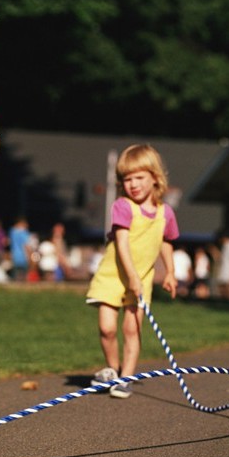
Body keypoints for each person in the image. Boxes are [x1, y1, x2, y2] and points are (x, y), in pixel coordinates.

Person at [86, 144, 178, 398]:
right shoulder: (123, 207)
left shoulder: (165, 213)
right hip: (113, 275)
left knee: (131, 328)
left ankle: (125, 377)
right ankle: (112, 368)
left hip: (143, 279)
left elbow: (166, 242)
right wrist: (132, 278)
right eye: (127, 179)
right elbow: (123, 245)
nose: (133, 184)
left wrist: (170, 272)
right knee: (107, 328)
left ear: (155, 178)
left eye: (139, 177)